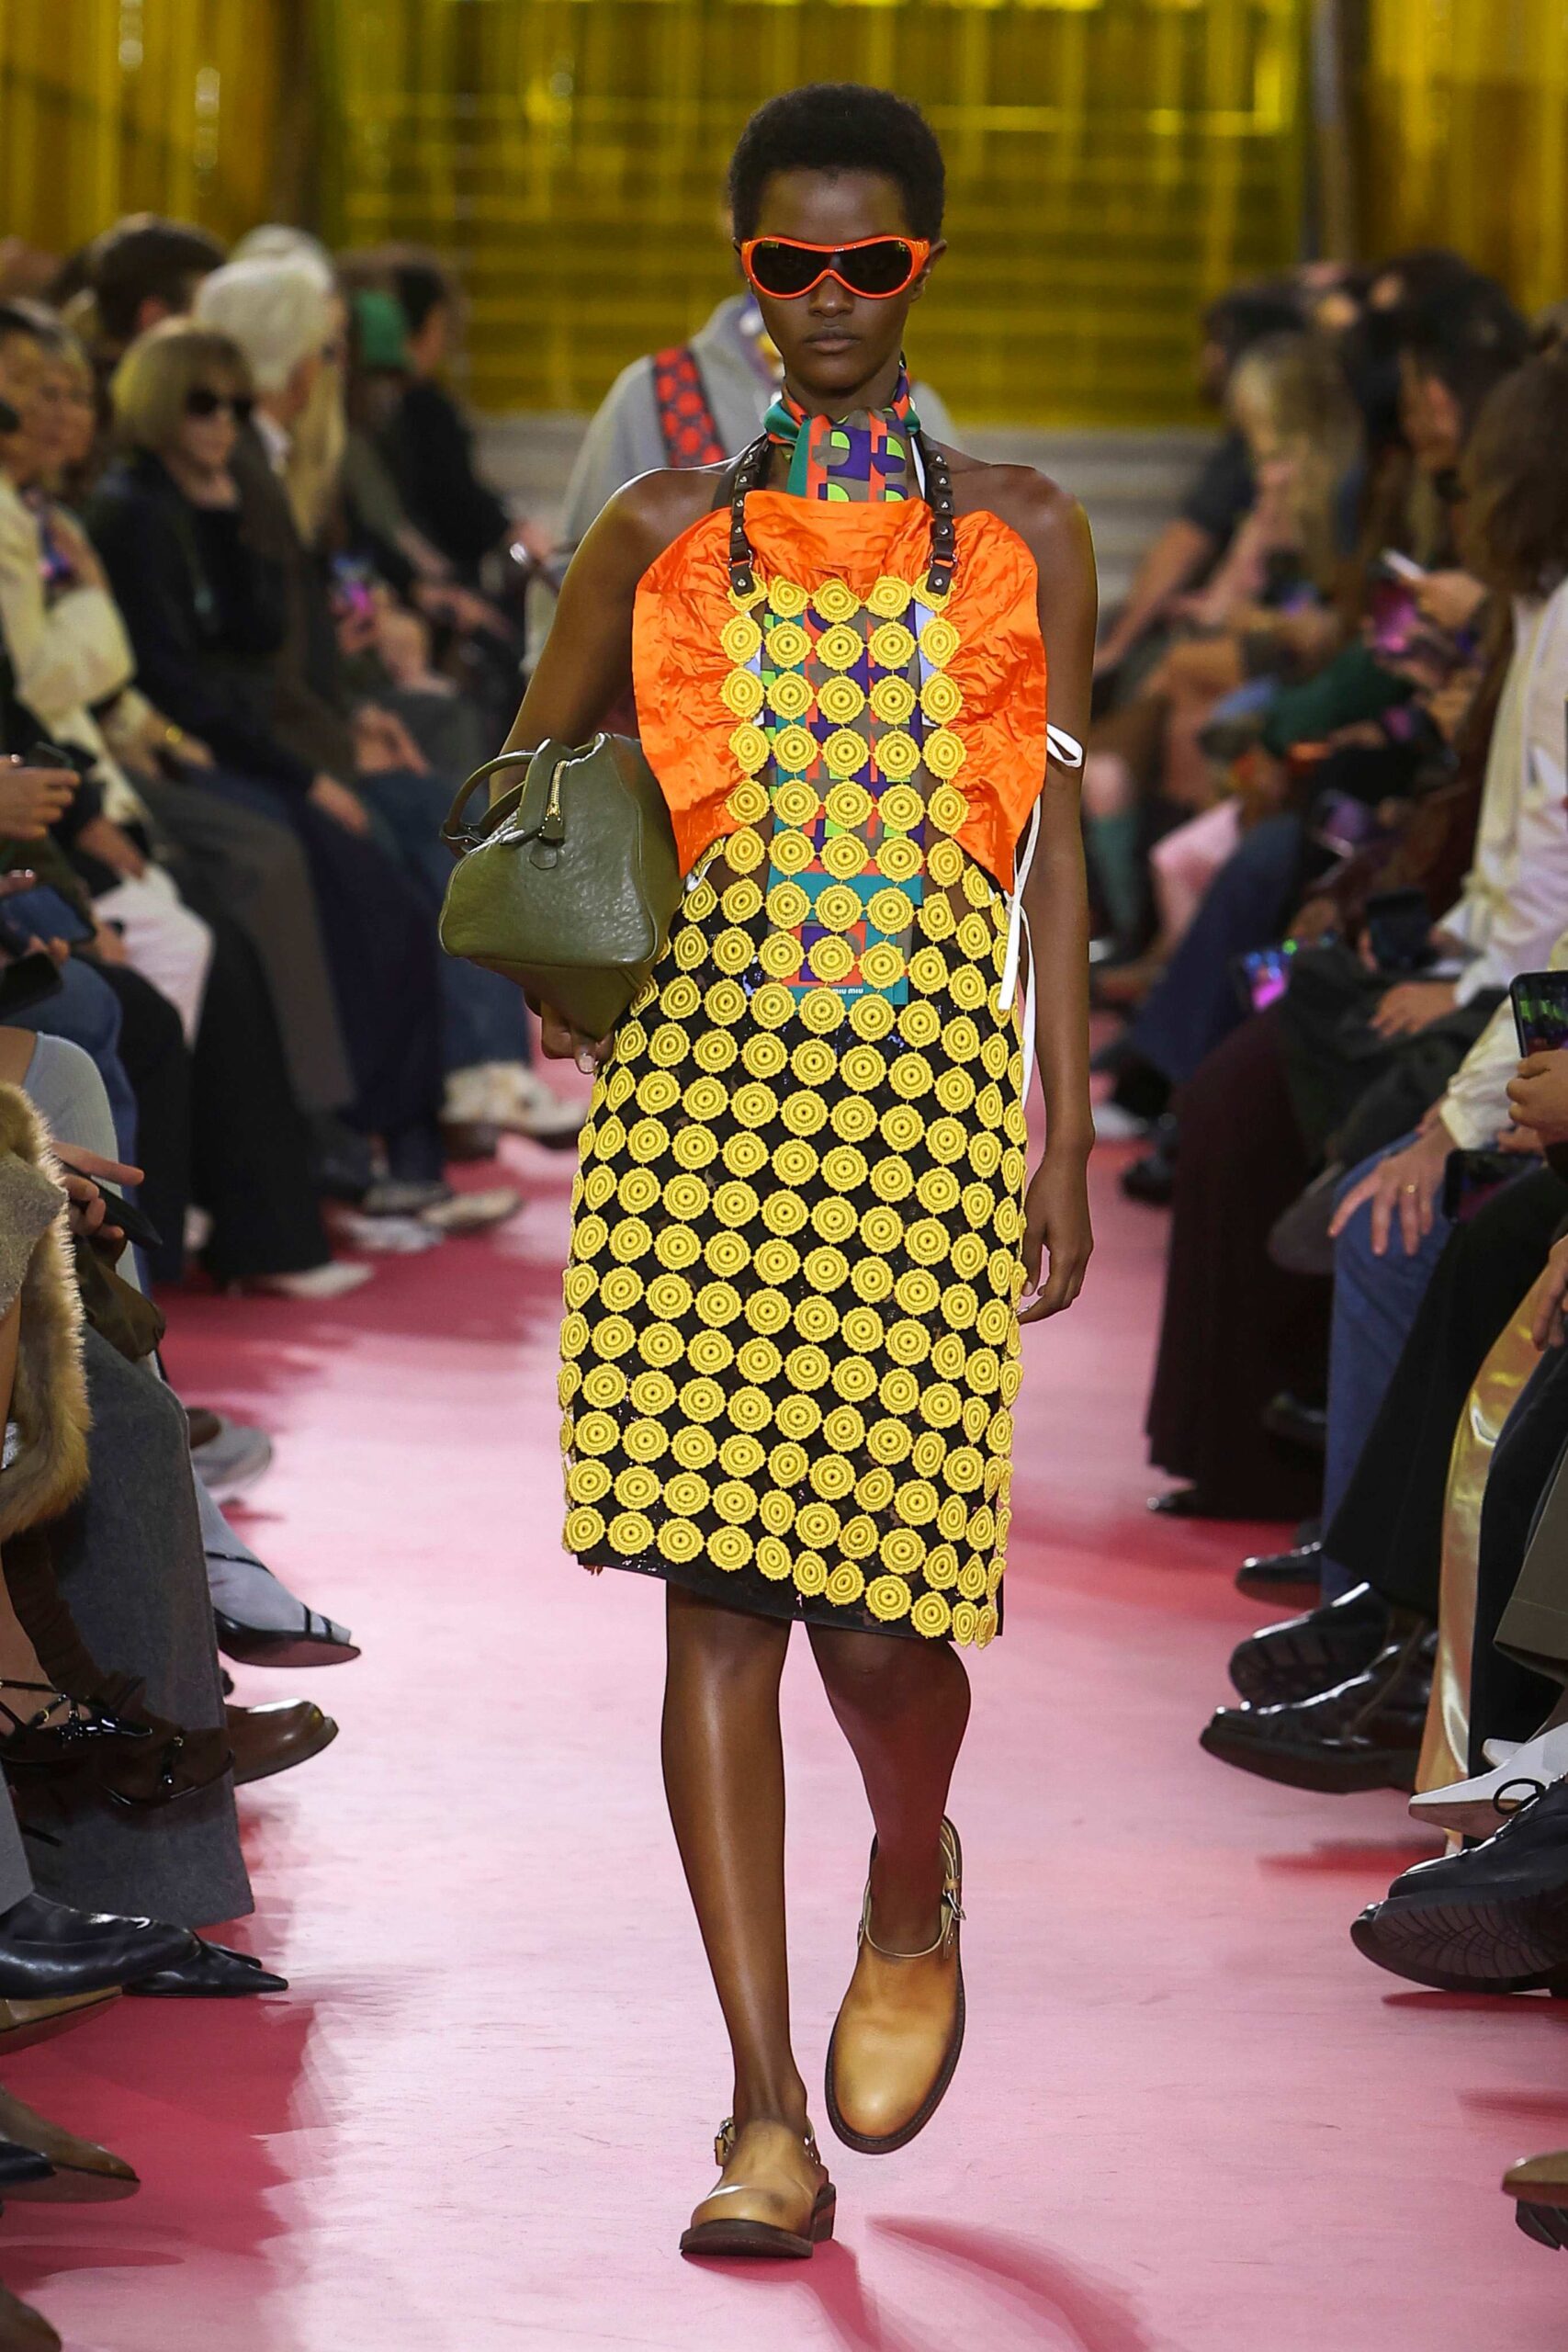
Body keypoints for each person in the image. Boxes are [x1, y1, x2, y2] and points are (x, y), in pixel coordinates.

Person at [498, 83, 1094, 2255]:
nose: (826, 298)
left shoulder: (1022, 529)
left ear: (921, 264)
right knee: (717, 1594)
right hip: (699, 1116)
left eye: (867, 262)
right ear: (742, 271)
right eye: (786, 263)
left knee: (880, 1619)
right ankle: (760, 2107)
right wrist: (566, 940)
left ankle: (908, 1868)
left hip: (922, 1112)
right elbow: (529, 768)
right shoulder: (652, 525)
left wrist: (1059, 1119)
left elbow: (1047, 846)